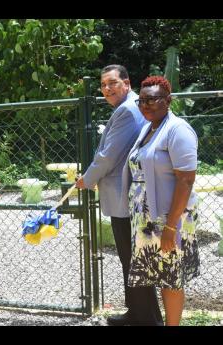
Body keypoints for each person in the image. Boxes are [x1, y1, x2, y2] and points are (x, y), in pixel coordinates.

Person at [75, 65, 163, 326]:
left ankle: (146, 318)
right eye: (103, 85)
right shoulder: (131, 106)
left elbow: (109, 155)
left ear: (127, 83)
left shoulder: (126, 110)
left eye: (112, 83)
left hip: (125, 198)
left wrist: (87, 178)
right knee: (131, 260)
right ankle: (136, 314)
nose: (107, 89)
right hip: (128, 196)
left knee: (134, 260)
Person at [120, 76, 200, 326]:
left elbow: (186, 180)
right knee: (159, 275)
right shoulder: (149, 128)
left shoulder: (178, 129)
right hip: (147, 221)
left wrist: (170, 226)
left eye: (152, 99)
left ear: (168, 100)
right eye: (141, 100)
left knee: (171, 278)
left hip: (168, 219)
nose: (145, 105)